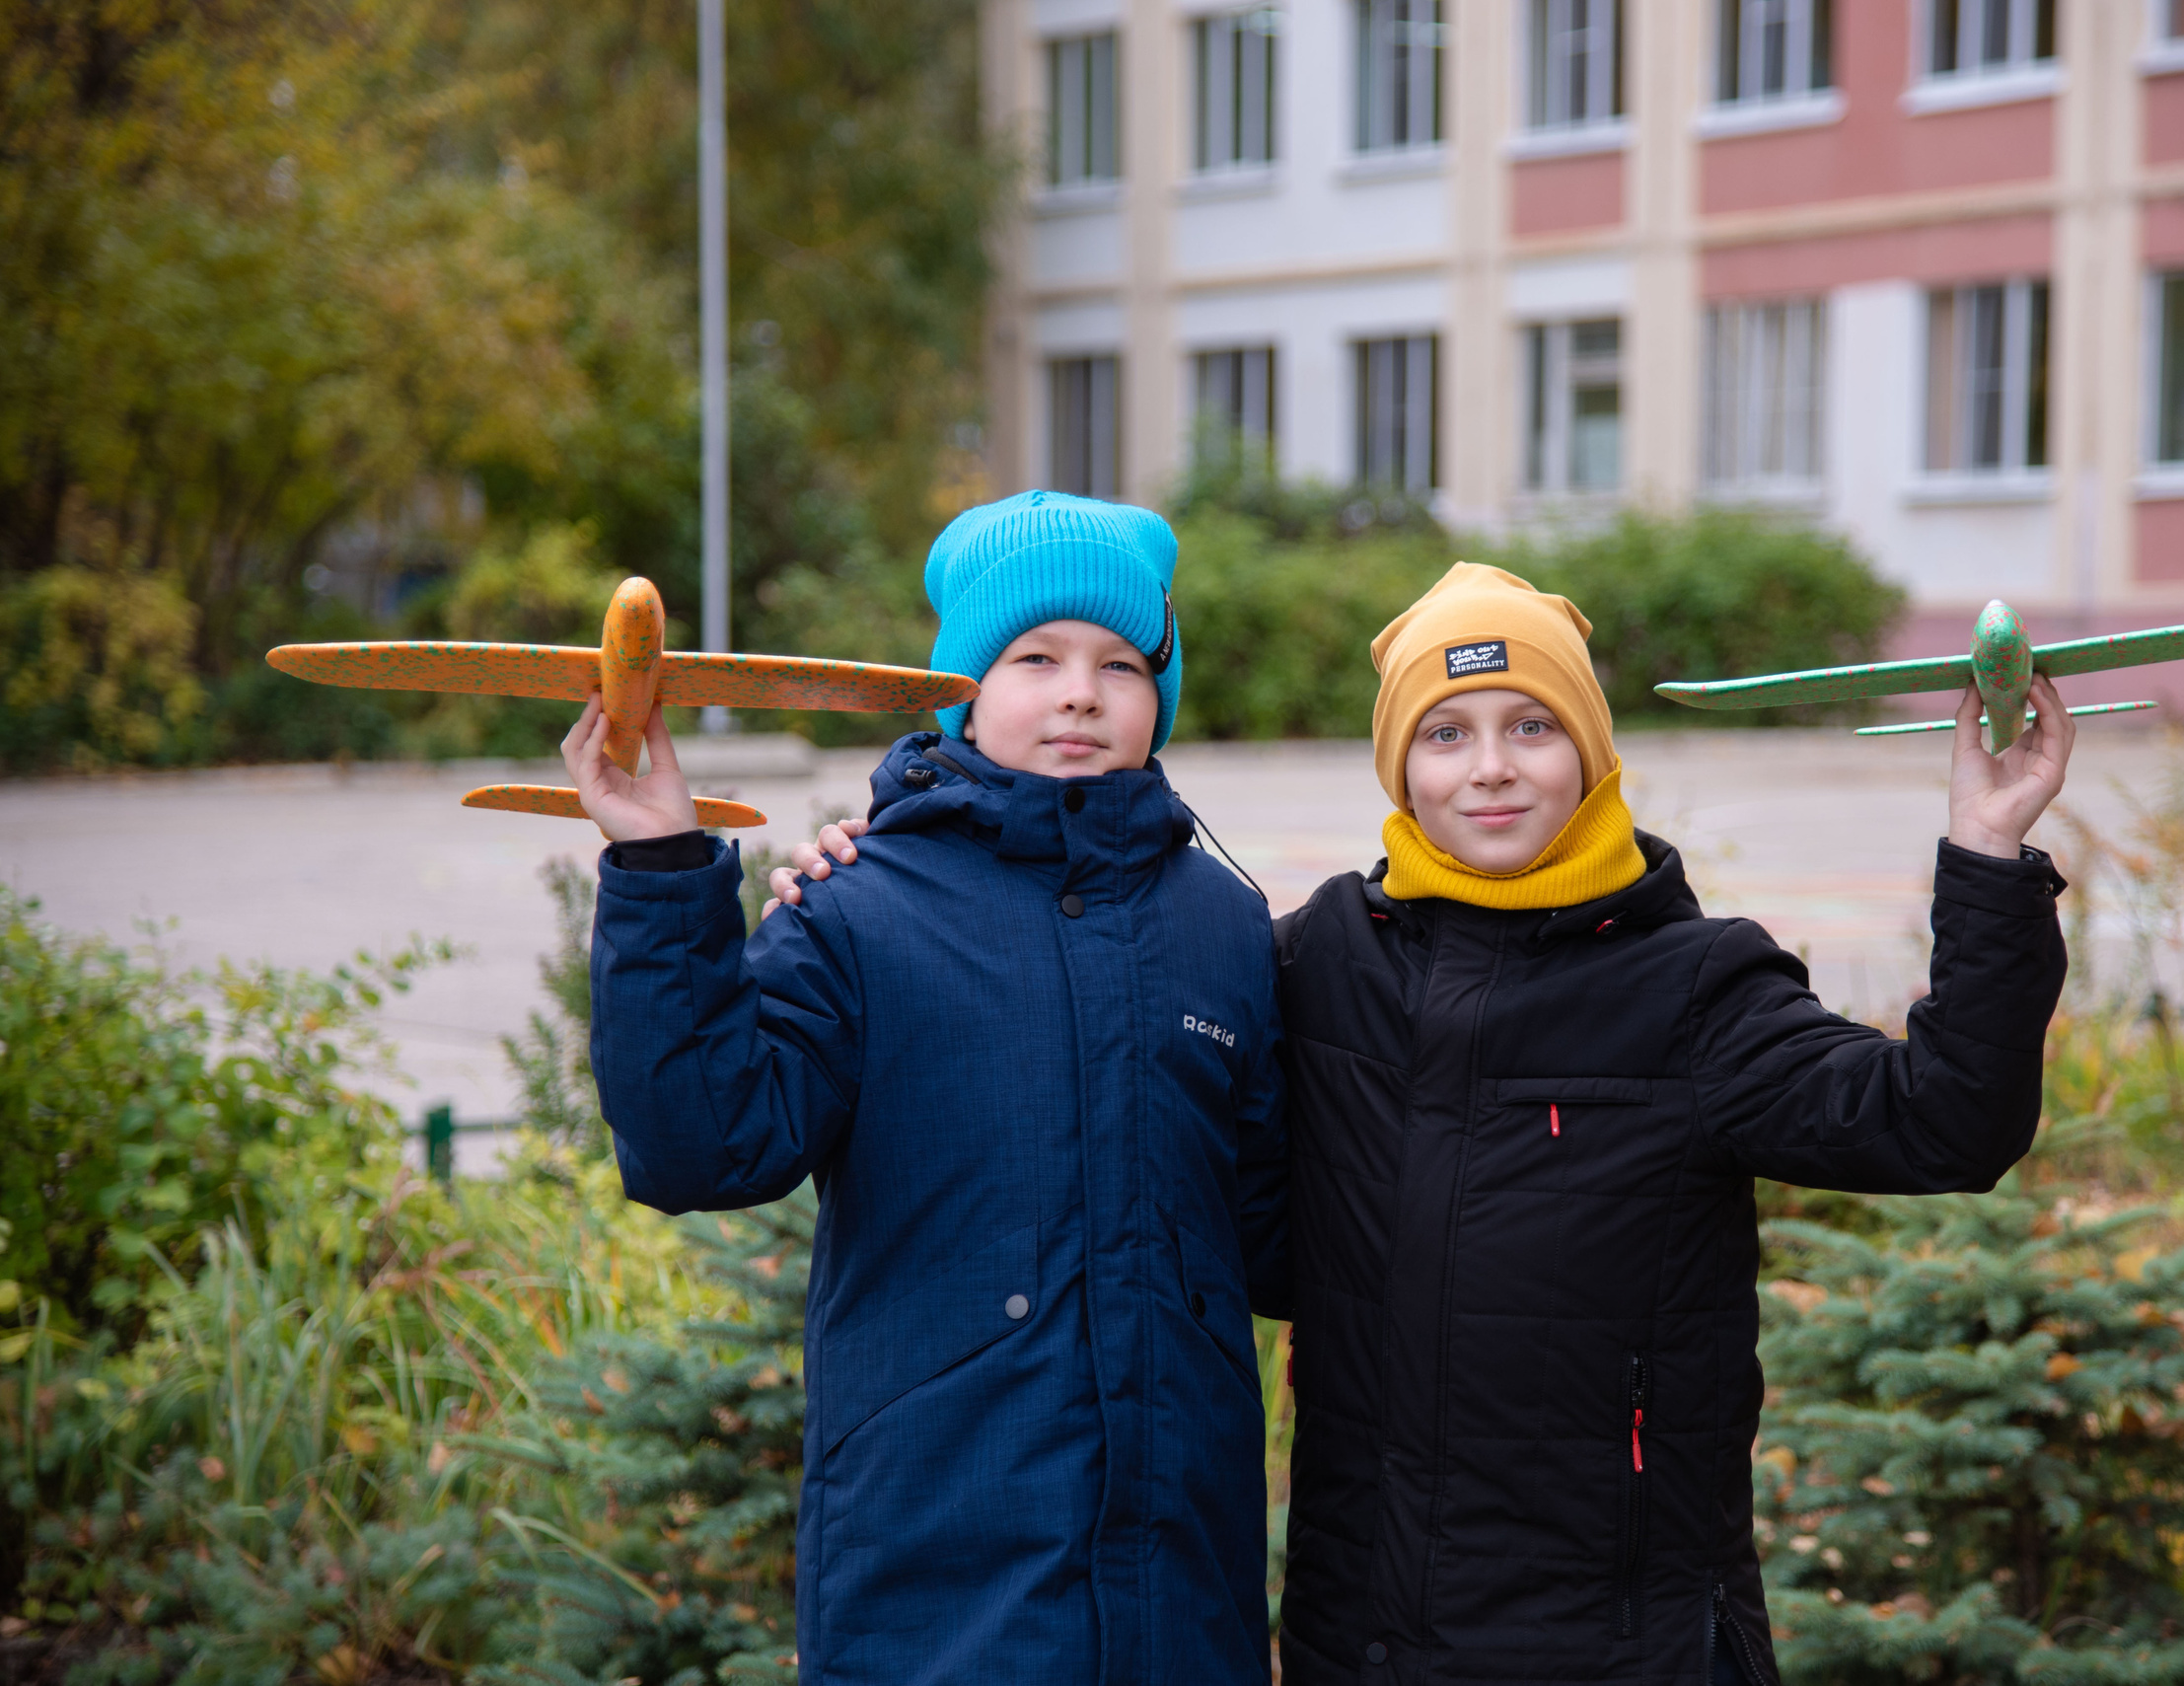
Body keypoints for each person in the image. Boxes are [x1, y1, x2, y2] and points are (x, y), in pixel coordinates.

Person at [773, 561, 2075, 1686]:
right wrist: (907, 862)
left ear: (1592, 751)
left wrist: (1988, 851)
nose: (1492, 768)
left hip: (1621, 1650)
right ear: (1400, 764)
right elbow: (1129, 1057)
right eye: (1447, 734)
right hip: (1362, 1643)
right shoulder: (1320, 960)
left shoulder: (1697, 989)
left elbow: (1945, 1122)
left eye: (1532, 726)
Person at [572, 489, 1288, 1686]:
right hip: (937, 1580)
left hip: (1182, 1595)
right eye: (1035, 655)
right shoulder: (863, 908)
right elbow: (703, 1146)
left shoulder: (1223, 924)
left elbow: (1279, 1235)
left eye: (1121, 662)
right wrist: (658, 866)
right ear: (959, 683)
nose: (1079, 690)